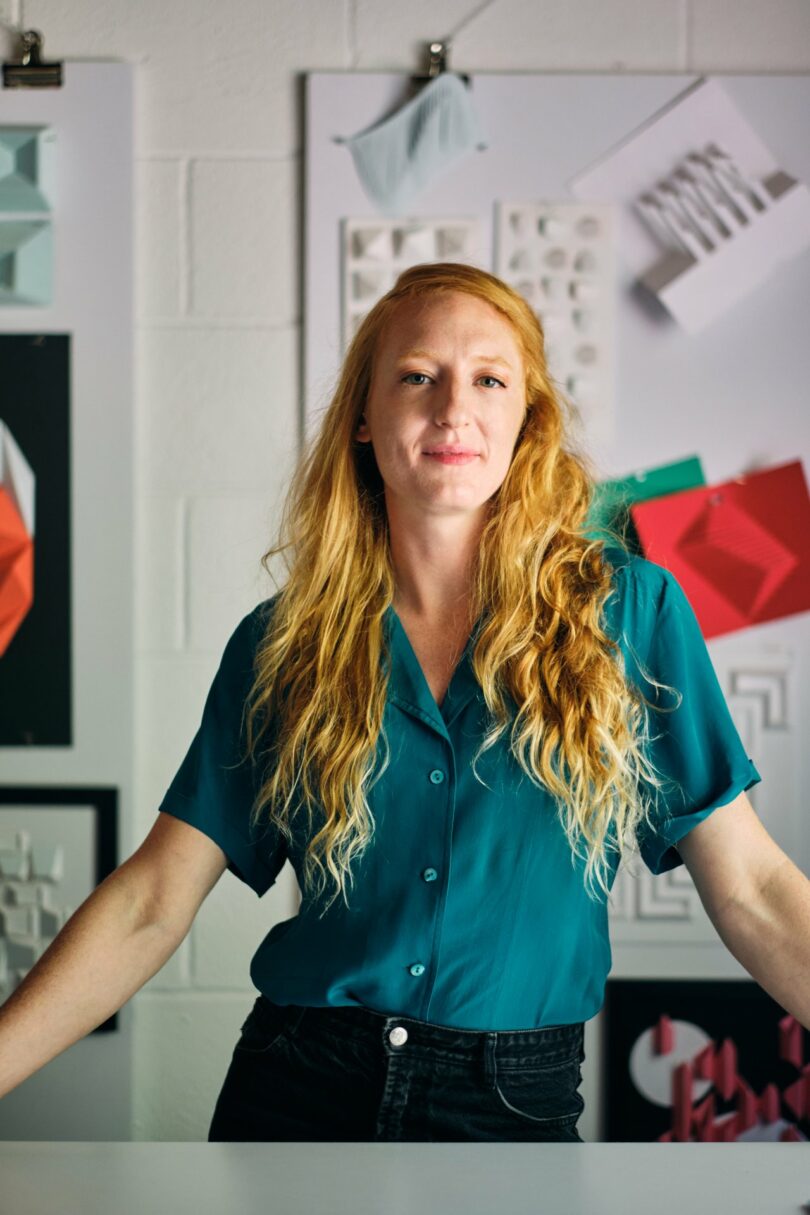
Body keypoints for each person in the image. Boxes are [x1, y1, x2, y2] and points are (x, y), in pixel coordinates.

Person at [1, 263, 806, 1140]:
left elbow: (755, 889)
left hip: (509, 1099)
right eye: (418, 376)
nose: (453, 408)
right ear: (363, 414)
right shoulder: (279, 645)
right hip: (296, 1083)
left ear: (525, 419)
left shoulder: (632, 613)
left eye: (490, 380)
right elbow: (151, 901)